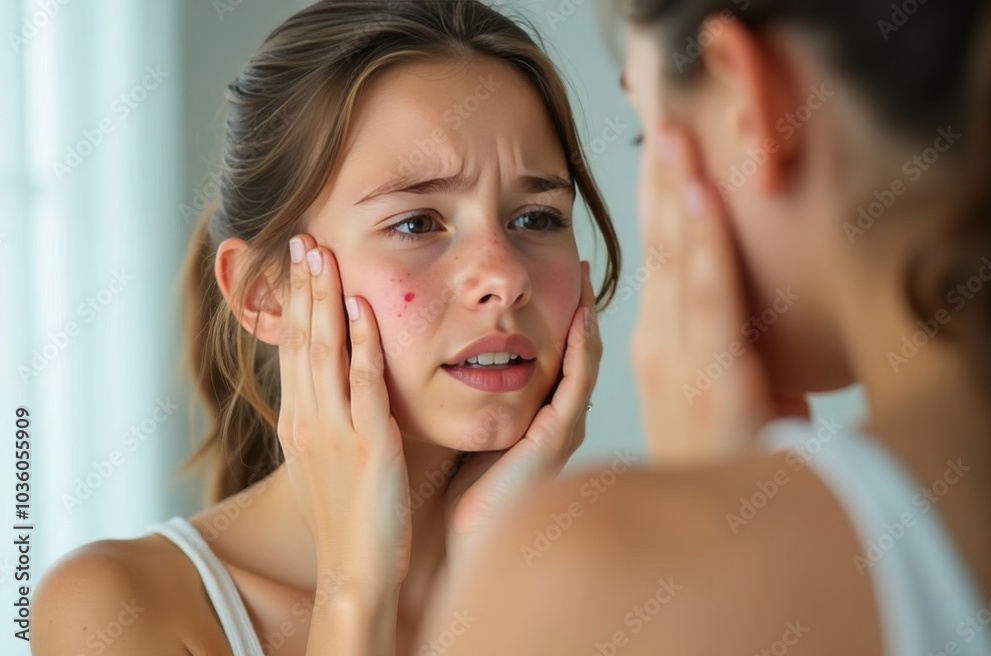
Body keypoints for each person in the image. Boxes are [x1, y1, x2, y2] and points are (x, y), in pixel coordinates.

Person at [29, 2, 621, 654]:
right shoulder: (115, 609)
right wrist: (357, 589)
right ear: (266, 295)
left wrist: (492, 580)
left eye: (536, 218)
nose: (504, 278)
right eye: (417, 223)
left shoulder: (631, 590)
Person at [415, 0, 991, 654]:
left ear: (746, 98)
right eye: (416, 223)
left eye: (646, 132)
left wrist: (698, 530)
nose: (499, 277)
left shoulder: (577, 580)